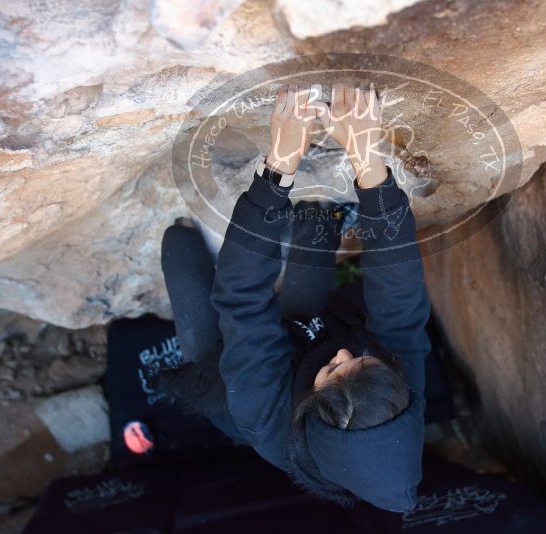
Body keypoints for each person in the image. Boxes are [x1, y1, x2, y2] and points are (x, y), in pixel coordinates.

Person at [158, 83, 431, 512]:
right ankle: (315, 221)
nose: (344, 353)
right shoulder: (398, 394)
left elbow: (242, 299)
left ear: (311, 403)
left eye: (335, 371)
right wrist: (366, 156)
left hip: (232, 365)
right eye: (360, 360)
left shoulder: (263, 413)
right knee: (316, 223)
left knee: (179, 246)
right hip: (309, 335)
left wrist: (280, 165)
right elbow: (400, 297)